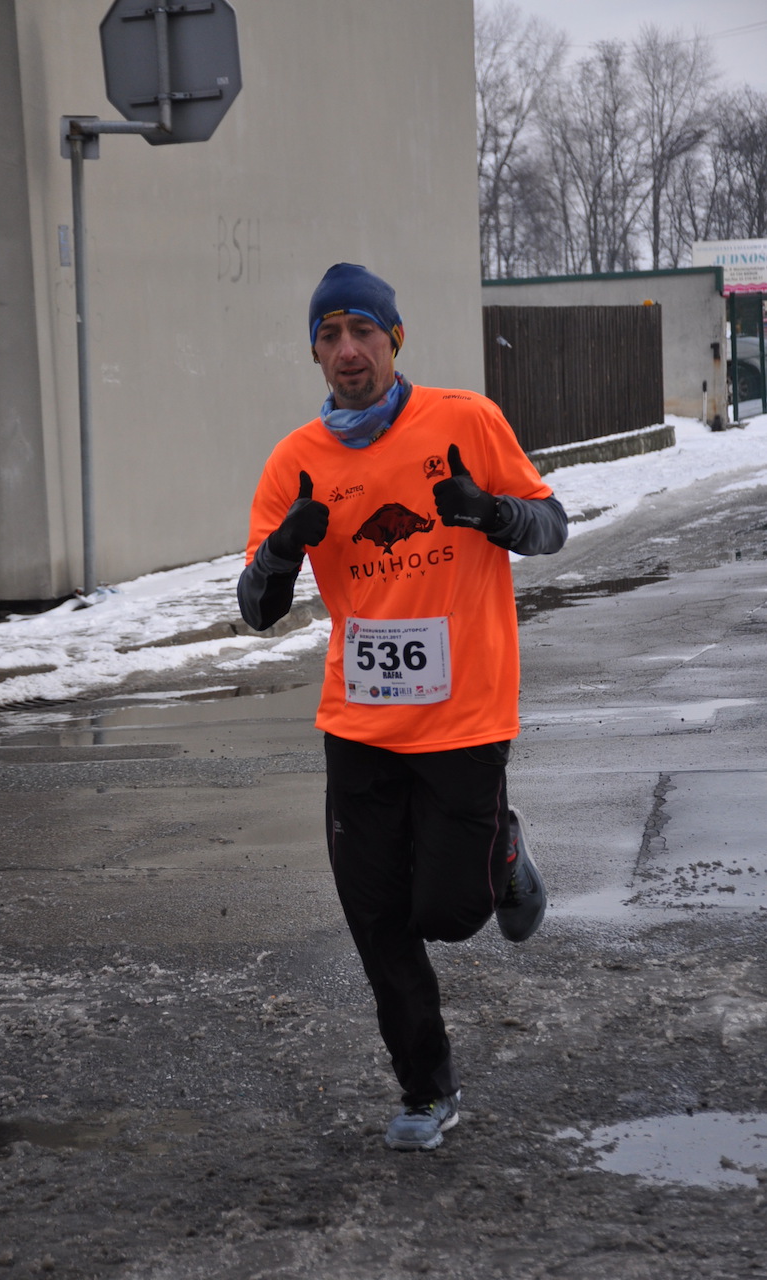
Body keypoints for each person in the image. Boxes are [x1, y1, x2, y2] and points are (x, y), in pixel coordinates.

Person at [238, 263, 568, 1151]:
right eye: (330, 335)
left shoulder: (467, 421)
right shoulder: (295, 462)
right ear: (315, 351)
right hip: (359, 723)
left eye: (363, 331)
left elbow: (552, 524)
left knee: (448, 914)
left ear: (395, 339)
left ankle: (502, 849)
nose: (348, 350)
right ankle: (426, 1090)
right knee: (376, 918)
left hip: (465, 717)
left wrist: (491, 513)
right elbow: (257, 608)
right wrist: (283, 549)